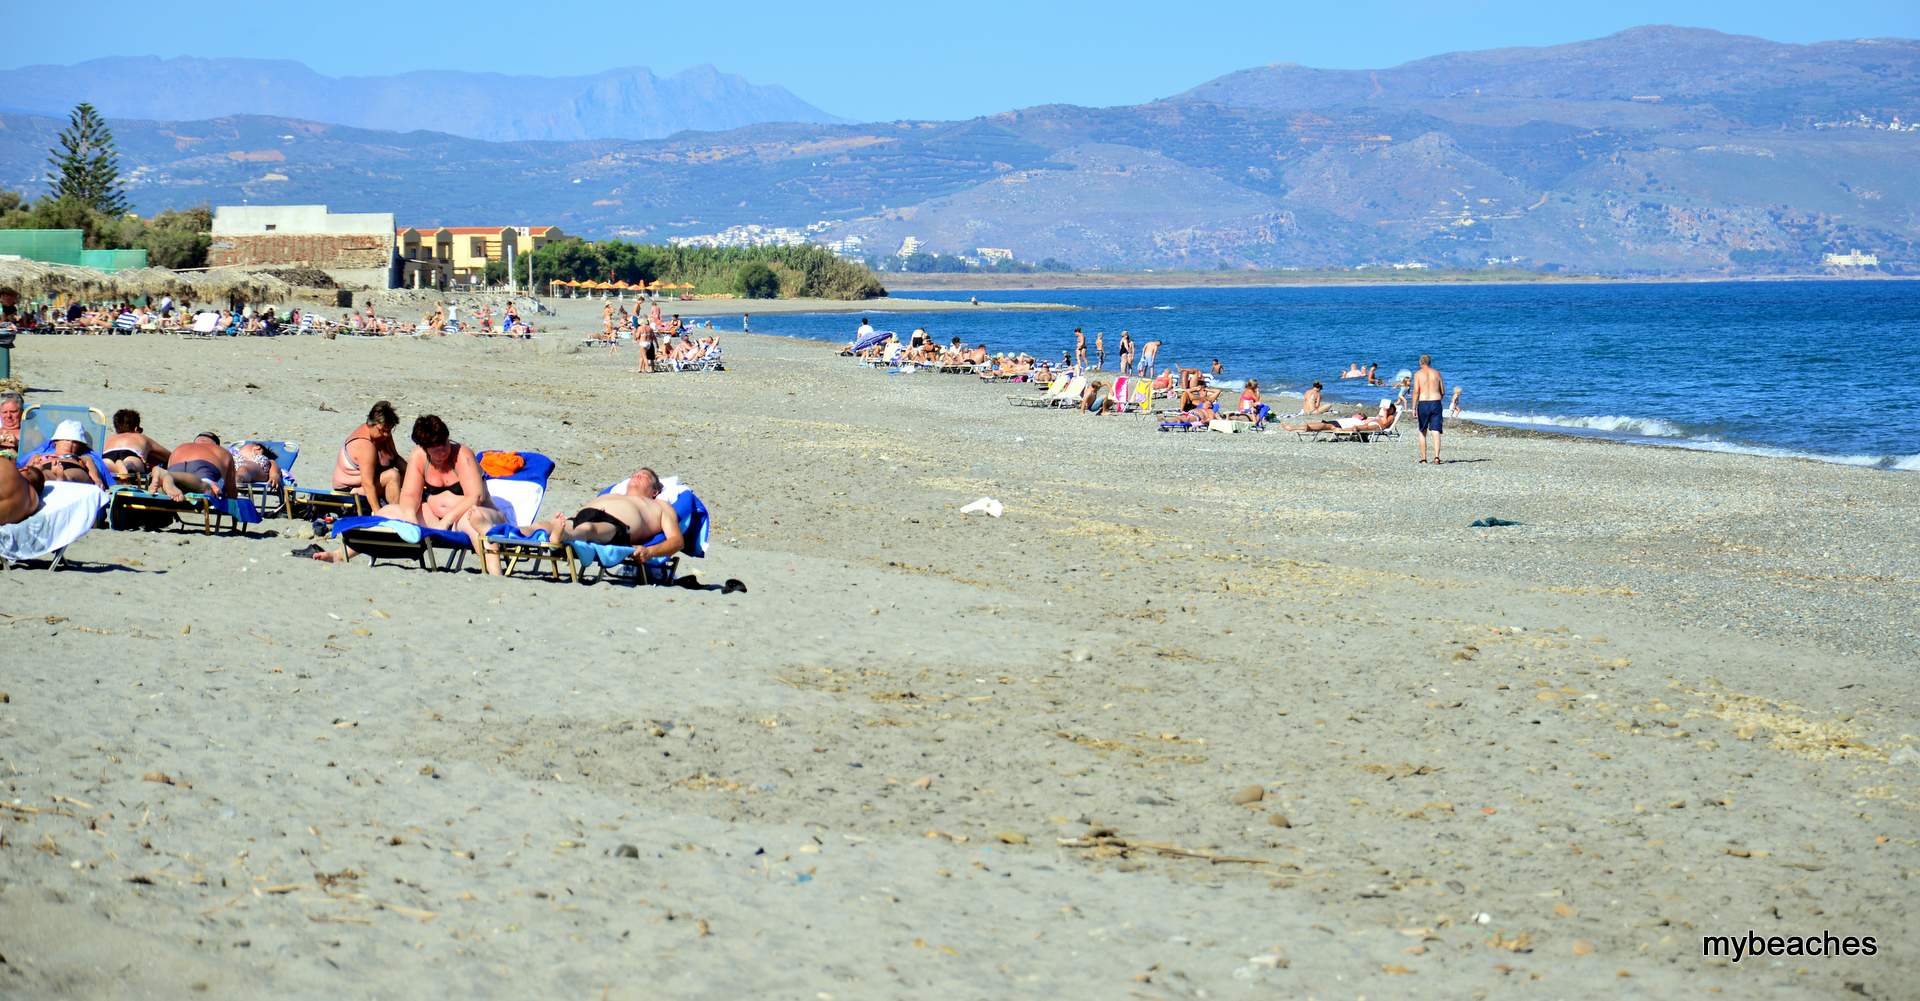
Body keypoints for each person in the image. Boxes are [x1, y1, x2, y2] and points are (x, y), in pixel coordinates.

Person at [312, 415, 507, 573]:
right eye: (436, 450)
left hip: (471, 513)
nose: (443, 453)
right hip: (433, 515)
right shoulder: (419, 456)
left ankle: (494, 575)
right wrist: (410, 516)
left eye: (445, 445)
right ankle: (340, 554)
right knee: (387, 513)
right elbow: (410, 495)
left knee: (472, 519)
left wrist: (446, 520)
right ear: (425, 448)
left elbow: (475, 497)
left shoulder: (462, 455)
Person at [530, 467, 683, 563]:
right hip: (583, 516)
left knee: (589, 529)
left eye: (644, 476)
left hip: (617, 526)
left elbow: (677, 541)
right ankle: (517, 532)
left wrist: (650, 552)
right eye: (635, 474)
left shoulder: (661, 506)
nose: (637, 475)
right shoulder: (614, 494)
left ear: (655, 491)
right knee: (545, 525)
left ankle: (562, 536)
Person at [331, 401, 405, 511]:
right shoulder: (365, 445)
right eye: (383, 430)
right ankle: (396, 515)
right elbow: (368, 484)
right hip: (349, 491)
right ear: (372, 423)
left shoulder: (382, 435)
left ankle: (399, 507)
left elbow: (396, 458)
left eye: (389, 430)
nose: (386, 434)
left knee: (409, 476)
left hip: (369, 482)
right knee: (392, 476)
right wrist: (377, 512)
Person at [147, 432, 235, 501]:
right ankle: (170, 476)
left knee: (175, 482)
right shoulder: (221, 451)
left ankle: (168, 476)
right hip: (203, 466)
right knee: (205, 488)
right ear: (215, 444)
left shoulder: (181, 447)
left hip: (176, 468)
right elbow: (231, 490)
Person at [25, 421, 106, 488]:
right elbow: (24, 471)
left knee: (72, 475)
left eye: (75, 442)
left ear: (81, 446)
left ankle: (63, 478)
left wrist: (98, 483)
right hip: (47, 468)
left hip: (74, 466)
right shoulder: (37, 456)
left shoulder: (85, 458)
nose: (70, 443)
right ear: (56, 441)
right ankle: (59, 478)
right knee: (40, 474)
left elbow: (96, 479)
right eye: (66, 440)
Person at [100, 409, 172, 482]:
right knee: (132, 463)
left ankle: (114, 466)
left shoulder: (110, 438)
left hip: (108, 455)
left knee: (106, 465)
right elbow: (169, 456)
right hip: (131, 453)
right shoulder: (141, 437)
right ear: (136, 428)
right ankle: (127, 466)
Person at [1412, 354, 1446, 464]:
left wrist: (1413, 408)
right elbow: (1443, 391)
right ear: (1430, 362)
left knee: (1422, 431)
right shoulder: (1437, 373)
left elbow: (1416, 391)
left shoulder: (1417, 374)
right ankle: (1436, 457)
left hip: (1423, 403)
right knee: (1435, 431)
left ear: (1420, 362)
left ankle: (1423, 458)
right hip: (1436, 402)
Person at [0, 391, 23, 462]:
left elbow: (37, 452)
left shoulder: (29, 433)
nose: (8, 416)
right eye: (4, 412)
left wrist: (18, 444)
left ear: (22, 412)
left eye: (13, 412)